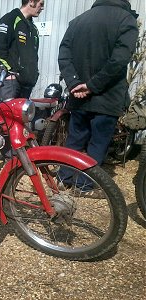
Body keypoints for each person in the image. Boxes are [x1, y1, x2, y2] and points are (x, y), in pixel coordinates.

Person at [58, 0, 139, 197]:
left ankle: (63, 179)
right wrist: (92, 86)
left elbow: (64, 54)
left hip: (78, 95)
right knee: (98, 142)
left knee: (75, 138)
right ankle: (84, 186)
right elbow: (119, 60)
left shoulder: (78, 21)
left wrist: (74, 83)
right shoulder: (126, 20)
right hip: (107, 95)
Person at [0, 0, 44, 100]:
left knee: (24, 115)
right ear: (31, 2)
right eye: (41, 4)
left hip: (27, 84)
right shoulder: (9, 19)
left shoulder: (33, 28)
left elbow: (33, 55)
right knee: (6, 115)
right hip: (10, 83)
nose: (42, 8)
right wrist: (9, 72)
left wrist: (34, 74)